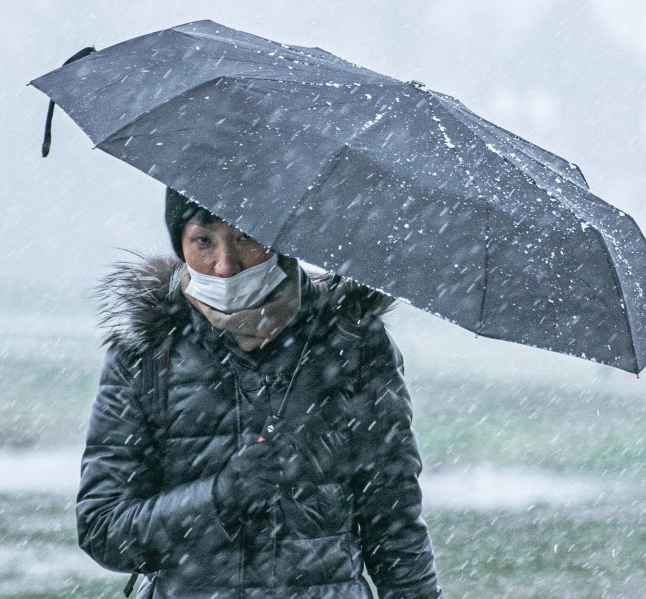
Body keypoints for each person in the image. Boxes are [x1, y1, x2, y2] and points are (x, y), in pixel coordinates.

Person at [77, 188, 442, 598]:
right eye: (203, 241)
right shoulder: (148, 350)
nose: (225, 264)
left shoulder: (350, 340)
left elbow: (392, 523)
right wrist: (219, 497)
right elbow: (103, 529)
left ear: (280, 237)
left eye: (246, 237)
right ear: (181, 243)